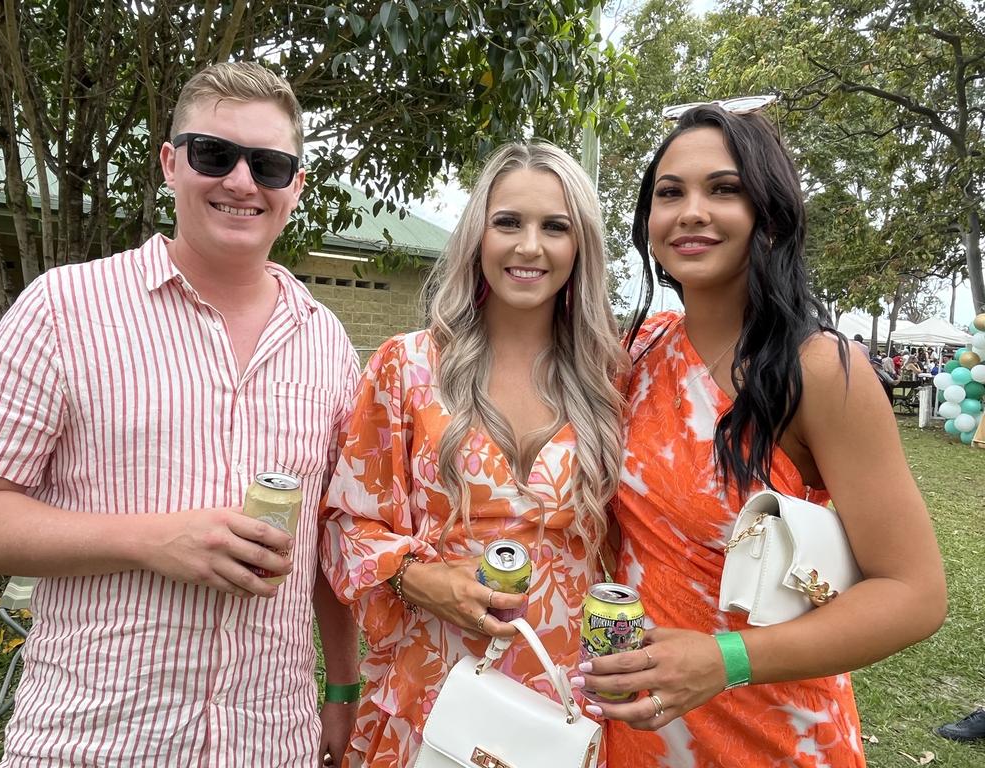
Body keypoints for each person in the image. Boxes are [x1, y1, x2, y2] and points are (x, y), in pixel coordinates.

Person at [0, 62, 360, 767]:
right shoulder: (64, 310)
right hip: (92, 742)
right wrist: (153, 540)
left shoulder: (327, 342)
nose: (241, 181)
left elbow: (332, 541)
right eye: (214, 154)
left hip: (272, 743)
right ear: (171, 163)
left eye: (268, 165)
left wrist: (344, 686)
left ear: (295, 187)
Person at [578, 104, 947, 767]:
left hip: (777, 729)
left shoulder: (818, 371)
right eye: (670, 193)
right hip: (645, 726)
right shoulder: (636, 355)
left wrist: (727, 660)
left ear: (768, 213)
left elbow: (914, 594)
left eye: (724, 189)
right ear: (647, 222)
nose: (692, 211)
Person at [320, 142, 627, 767]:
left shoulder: (610, 379)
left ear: (581, 247)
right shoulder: (407, 366)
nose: (529, 247)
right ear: (477, 236)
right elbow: (345, 524)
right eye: (508, 222)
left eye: (555, 227)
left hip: (565, 700)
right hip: (431, 688)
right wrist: (417, 578)